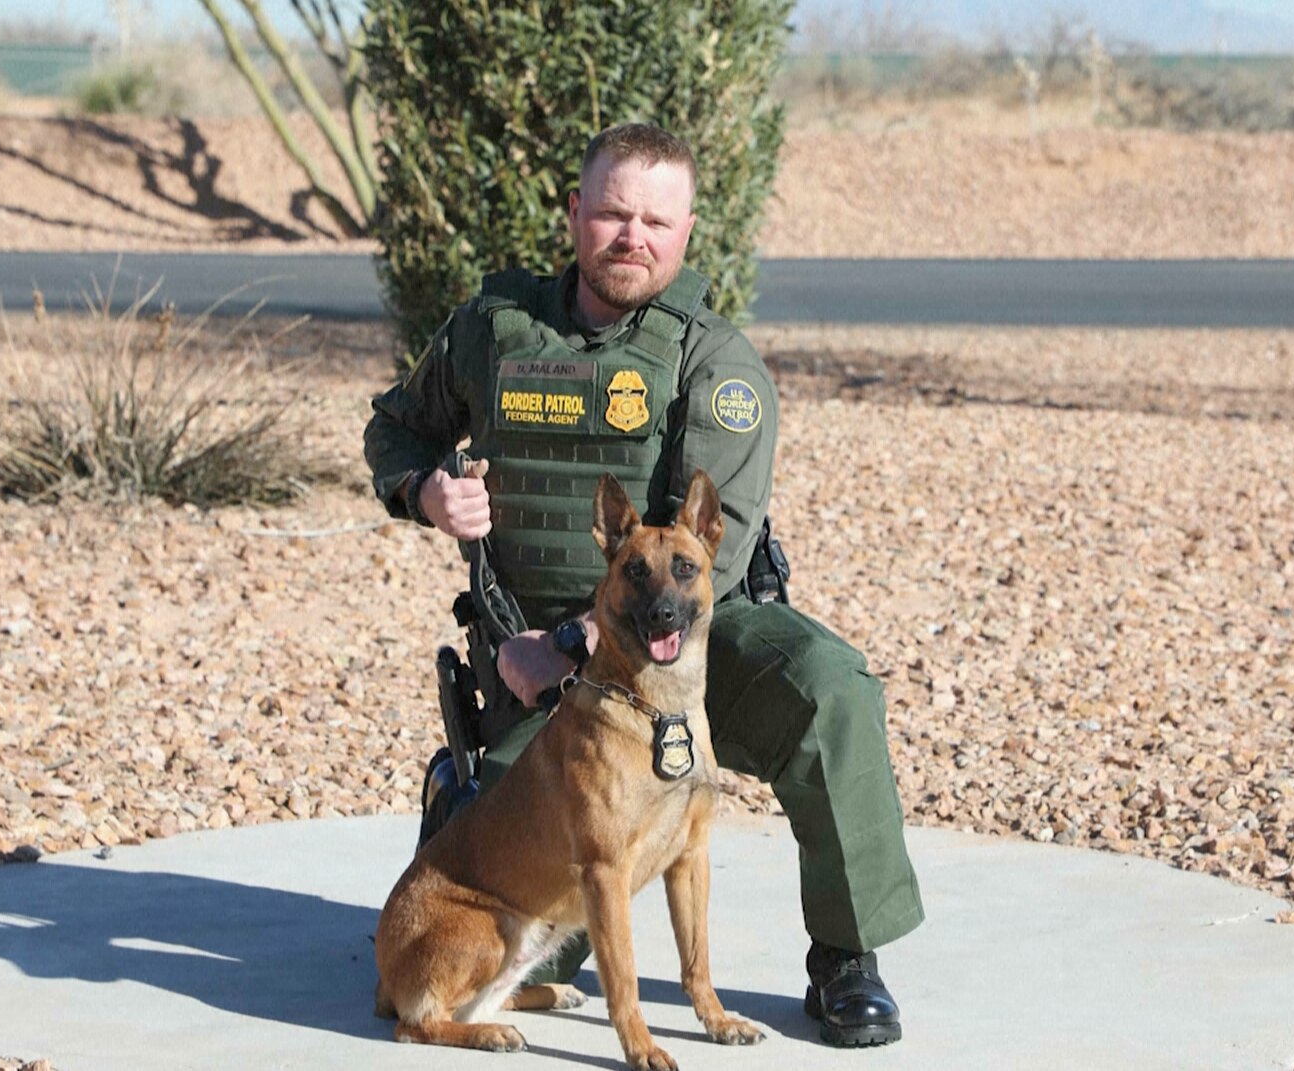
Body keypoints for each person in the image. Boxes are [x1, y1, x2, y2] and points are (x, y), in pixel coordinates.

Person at [363, 123, 923, 1047]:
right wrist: (425, 489)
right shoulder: (494, 328)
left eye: (656, 221)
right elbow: (394, 430)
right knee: (530, 938)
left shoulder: (713, 361)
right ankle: (462, 800)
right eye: (615, 212)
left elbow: (706, 554)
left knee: (830, 687)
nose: (633, 236)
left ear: (688, 230)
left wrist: (575, 643)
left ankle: (848, 957)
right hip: (529, 675)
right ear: (575, 213)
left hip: (690, 642)